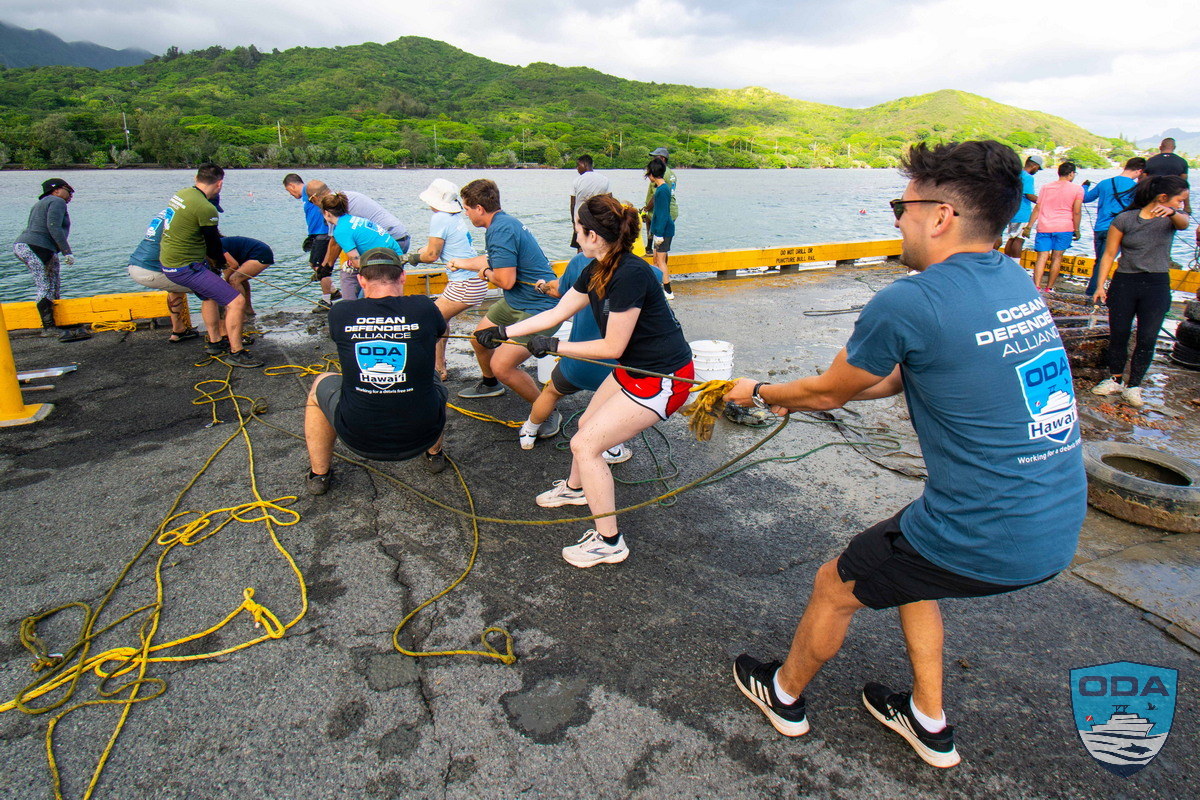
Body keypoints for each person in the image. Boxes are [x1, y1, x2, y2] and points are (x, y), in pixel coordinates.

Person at [723, 140, 1085, 769]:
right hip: (1054, 521)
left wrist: (760, 391)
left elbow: (831, 391)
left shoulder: (911, 299)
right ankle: (927, 719)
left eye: (902, 206)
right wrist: (810, 394)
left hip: (985, 529)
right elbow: (894, 376)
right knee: (912, 571)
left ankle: (782, 694)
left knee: (835, 584)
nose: (897, 220)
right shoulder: (1013, 277)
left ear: (940, 215)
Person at [476, 194, 694, 568]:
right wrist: (503, 331)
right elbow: (557, 313)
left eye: (578, 230)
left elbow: (612, 346)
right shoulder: (595, 267)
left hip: (663, 379)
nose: (575, 237)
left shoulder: (629, 274)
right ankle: (576, 489)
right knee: (585, 426)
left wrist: (556, 346)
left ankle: (609, 542)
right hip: (632, 368)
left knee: (586, 445)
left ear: (593, 235)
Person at [304, 248, 449, 495]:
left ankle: (319, 475)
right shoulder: (424, 307)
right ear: (402, 277)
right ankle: (434, 454)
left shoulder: (341, 312)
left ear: (362, 280)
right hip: (423, 434)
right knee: (432, 376)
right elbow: (439, 332)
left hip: (357, 437)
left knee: (321, 382)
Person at [520, 251, 663, 461]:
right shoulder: (643, 271)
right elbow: (659, 276)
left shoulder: (580, 263)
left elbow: (558, 290)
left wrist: (542, 286)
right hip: (616, 367)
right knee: (611, 407)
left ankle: (529, 430)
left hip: (578, 360)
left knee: (551, 392)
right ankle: (612, 448)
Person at [451, 179, 560, 408]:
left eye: (467, 209)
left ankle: (546, 412)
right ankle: (491, 384)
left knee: (502, 366)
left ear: (479, 208)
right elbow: (492, 260)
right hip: (516, 302)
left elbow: (505, 280)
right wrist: (461, 263)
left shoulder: (500, 230)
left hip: (540, 307)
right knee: (479, 340)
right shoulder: (504, 222)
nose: (466, 214)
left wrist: (487, 273)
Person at [1090, 175, 1190, 408]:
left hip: (1156, 285)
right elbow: (1108, 254)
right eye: (1179, 200)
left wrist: (1173, 212)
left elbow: (1184, 223)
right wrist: (1100, 286)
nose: (1182, 205)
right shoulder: (1125, 219)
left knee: (1147, 337)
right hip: (1125, 282)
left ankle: (1134, 385)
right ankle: (1115, 379)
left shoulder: (1171, 220)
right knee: (1119, 333)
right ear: (1163, 197)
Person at [159, 163, 262, 368]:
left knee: (209, 296)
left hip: (169, 262)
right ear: (219, 184)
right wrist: (223, 264)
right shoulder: (206, 208)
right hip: (186, 267)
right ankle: (236, 351)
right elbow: (213, 244)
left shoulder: (181, 194)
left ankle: (215, 343)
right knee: (236, 302)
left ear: (197, 178)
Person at [407, 178, 486, 382]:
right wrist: (420, 252)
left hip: (464, 283)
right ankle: (439, 365)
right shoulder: (454, 216)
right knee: (440, 319)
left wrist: (412, 258)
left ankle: (436, 369)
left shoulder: (439, 218)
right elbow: (438, 247)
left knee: (430, 319)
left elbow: (432, 255)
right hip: (473, 280)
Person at [13, 177, 90, 342]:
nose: (71, 195)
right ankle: (48, 328)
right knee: (45, 284)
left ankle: (58, 322)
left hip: (36, 246)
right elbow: (53, 226)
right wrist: (67, 251)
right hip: (36, 246)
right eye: (69, 190)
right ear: (56, 190)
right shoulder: (56, 201)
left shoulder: (42, 203)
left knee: (54, 282)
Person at [307, 180, 410, 279]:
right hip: (399, 238)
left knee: (351, 276)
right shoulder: (342, 198)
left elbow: (335, 243)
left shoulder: (332, 210)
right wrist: (325, 266)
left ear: (314, 199)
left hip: (388, 243)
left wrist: (327, 268)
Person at [317, 192, 405, 303]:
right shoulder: (353, 218)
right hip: (395, 255)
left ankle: (353, 307)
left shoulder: (341, 231)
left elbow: (357, 263)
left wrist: (348, 264)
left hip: (385, 262)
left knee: (364, 298)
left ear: (326, 213)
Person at [127, 208, 197, 343]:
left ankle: (179, 331)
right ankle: (219, 336)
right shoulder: (188, 216)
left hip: (135, 265)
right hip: (152, 269)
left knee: (175, 287)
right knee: (214, 289)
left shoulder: (169, 212)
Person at [1081, 157, 1145, 296]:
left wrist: (1084, 186)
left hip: (1099, 228)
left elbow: (1085, 198)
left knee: (1100, 260)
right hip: (1118, 229)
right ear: (1139, 171)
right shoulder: (1135, 187)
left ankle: (1092, 290)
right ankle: (1094, 291)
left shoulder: (1105, 183)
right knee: (1107, 261)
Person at [282, 173, 336, 309]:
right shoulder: (306, 197)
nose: (290, 194)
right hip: (316, 233)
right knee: (314, 263)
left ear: (292, 186)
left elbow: (320, 190)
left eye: (288, 191)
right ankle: (333, 291)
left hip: (323, 233)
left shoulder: (308, 190)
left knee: (320, 266)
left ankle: (327, 300)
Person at [1029, 161, 1082, 292]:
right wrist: (1077, 229)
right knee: (1057, 258)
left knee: (1041, 257)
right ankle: (1049, 288)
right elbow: (1076, 211)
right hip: (1065, 227)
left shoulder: (1046, 187)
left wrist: (1029, 226)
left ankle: (1036, 286)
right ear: (1071, 174)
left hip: (1044, 226)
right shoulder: (1077, 189)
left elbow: (1038, 208)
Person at [219, 236, 274, 316]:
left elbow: (233, 265)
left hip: (260, 254)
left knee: (234, 280)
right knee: (241, 280)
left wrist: (225, 280)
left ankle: (240, 314)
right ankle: (248, 310)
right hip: (259, 252)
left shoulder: (214, 246)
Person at [647, 159, 676, 299]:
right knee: (656, 260)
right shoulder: (661, 188)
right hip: (660, 229)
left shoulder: (663, 190)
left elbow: (663, 213)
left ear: (652, 173)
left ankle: (668, 290)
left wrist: (659, 233)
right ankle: (658, 288)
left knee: (661, 261)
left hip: (663, 231)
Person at [642, 147, 678, 256]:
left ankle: (650, 250)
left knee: (660, 243)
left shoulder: (660, 174)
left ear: (663, 158)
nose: (653, 160)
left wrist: (646, 209)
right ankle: (652, 250)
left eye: (655, 157)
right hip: (671, 210)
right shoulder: (670, 173)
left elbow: (655, 196)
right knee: (663, 247)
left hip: (662, 210)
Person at [569, 155, 610, 250]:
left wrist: (573, 222)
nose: (577, 168)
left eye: (578, 165)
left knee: (581, 247)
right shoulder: (604, 179)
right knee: (598, 247)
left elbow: (572, 204)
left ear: (584, 164)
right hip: (599, 219)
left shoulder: (577, 181)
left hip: (581, 219)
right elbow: (609, 201)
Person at [1143, 137, 1190, 213]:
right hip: (1172, 201)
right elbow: (1184, 186)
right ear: (1174, 148)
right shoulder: (1182, 162)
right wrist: (1187, 206)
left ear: (1160, 147)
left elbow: (1143, 182)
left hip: (1153, 200)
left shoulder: (1150, 161)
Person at [1005, 155, 1042, 239]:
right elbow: (1029, 195)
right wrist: (1043, 201)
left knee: (1011, 238)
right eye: (1038, 168)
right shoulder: (1028, 177)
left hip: (1011, 212)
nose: (1037, 171)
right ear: (1034, 166)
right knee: (1019, 240)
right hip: (1022, 213)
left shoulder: (1015, 174)